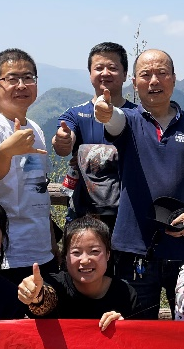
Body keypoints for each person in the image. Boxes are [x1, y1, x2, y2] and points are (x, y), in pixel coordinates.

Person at [97, 49, 184, 318]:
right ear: (134, 83)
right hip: (135, 246)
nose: (154, 80)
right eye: (146, 75)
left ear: (174, 79)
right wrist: (106, 112)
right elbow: (114, 121)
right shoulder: (129, 120)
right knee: (137, 327)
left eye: (162, 73)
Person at [0, 48, 55, 288]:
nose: (22, 85)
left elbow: (38, 188)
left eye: (28, 78)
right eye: (12, 79)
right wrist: (6, 151)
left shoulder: (35, 129)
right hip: (4, 255)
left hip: (40, 251)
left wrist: (51, 242)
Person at [52, 42, 136, 228]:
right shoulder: (74, 114)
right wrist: (62, 139)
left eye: (112, 68)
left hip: (129, 216)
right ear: (90, 73)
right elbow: (63, 145)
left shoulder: (138, 115)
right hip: (84, 216)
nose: (105, 73)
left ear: (125, 75)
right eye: (99, 68)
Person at [17, 216, 137, 330]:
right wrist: (35, 295)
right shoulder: (56, 285)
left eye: (94, 251)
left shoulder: (126, 293)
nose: (85, 260)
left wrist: (124, 328)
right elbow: (45, 299)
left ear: (108, 254)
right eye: (76, 252)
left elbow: (139, 338)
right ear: (65, 256)